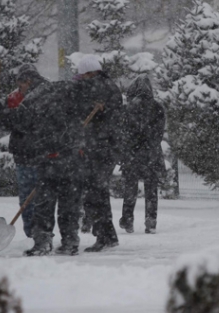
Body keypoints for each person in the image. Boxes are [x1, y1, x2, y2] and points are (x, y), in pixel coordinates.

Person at [0, 65, 85, 256]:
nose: (21, 89)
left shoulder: (34, 99)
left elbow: (19, 122)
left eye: (22, 84)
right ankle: (70, 241)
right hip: (72, 157)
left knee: (44, 203)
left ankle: (43, 242)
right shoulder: (61, 89)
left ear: (28, 81)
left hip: (50, 158)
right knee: (69, 202)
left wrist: (0, 112)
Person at [74, 55, 125, 252]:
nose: (82, 79)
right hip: (104, 147)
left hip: (100, 147)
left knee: (95, 192)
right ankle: (108, 235)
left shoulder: (98, 87)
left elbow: (105, 118)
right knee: (98, 191)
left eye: (83, 76)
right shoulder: (108, 86)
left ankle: (103, 236)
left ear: (89, 73)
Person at [0, 64, 44, 238]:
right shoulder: (12, 98)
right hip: (22, 153)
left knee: (42, 196)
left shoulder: (43, 97)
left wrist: (9, 114)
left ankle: (42, 231)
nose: (19, 86)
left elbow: (29, 121)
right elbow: (4, 125)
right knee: (25, 194)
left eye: (22, 82)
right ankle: (30, 230)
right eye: (18, 82)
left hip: (41, 153)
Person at [118, 75, 166, 234]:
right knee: (151, 189)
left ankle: (128, 219)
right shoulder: (158, 108)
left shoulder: (128, 108)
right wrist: (150, 145)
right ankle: (151, 221)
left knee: (130, 188)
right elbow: (159, 133)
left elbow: (124, 133)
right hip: (152, 153)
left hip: (132, 154)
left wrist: (131, 147)